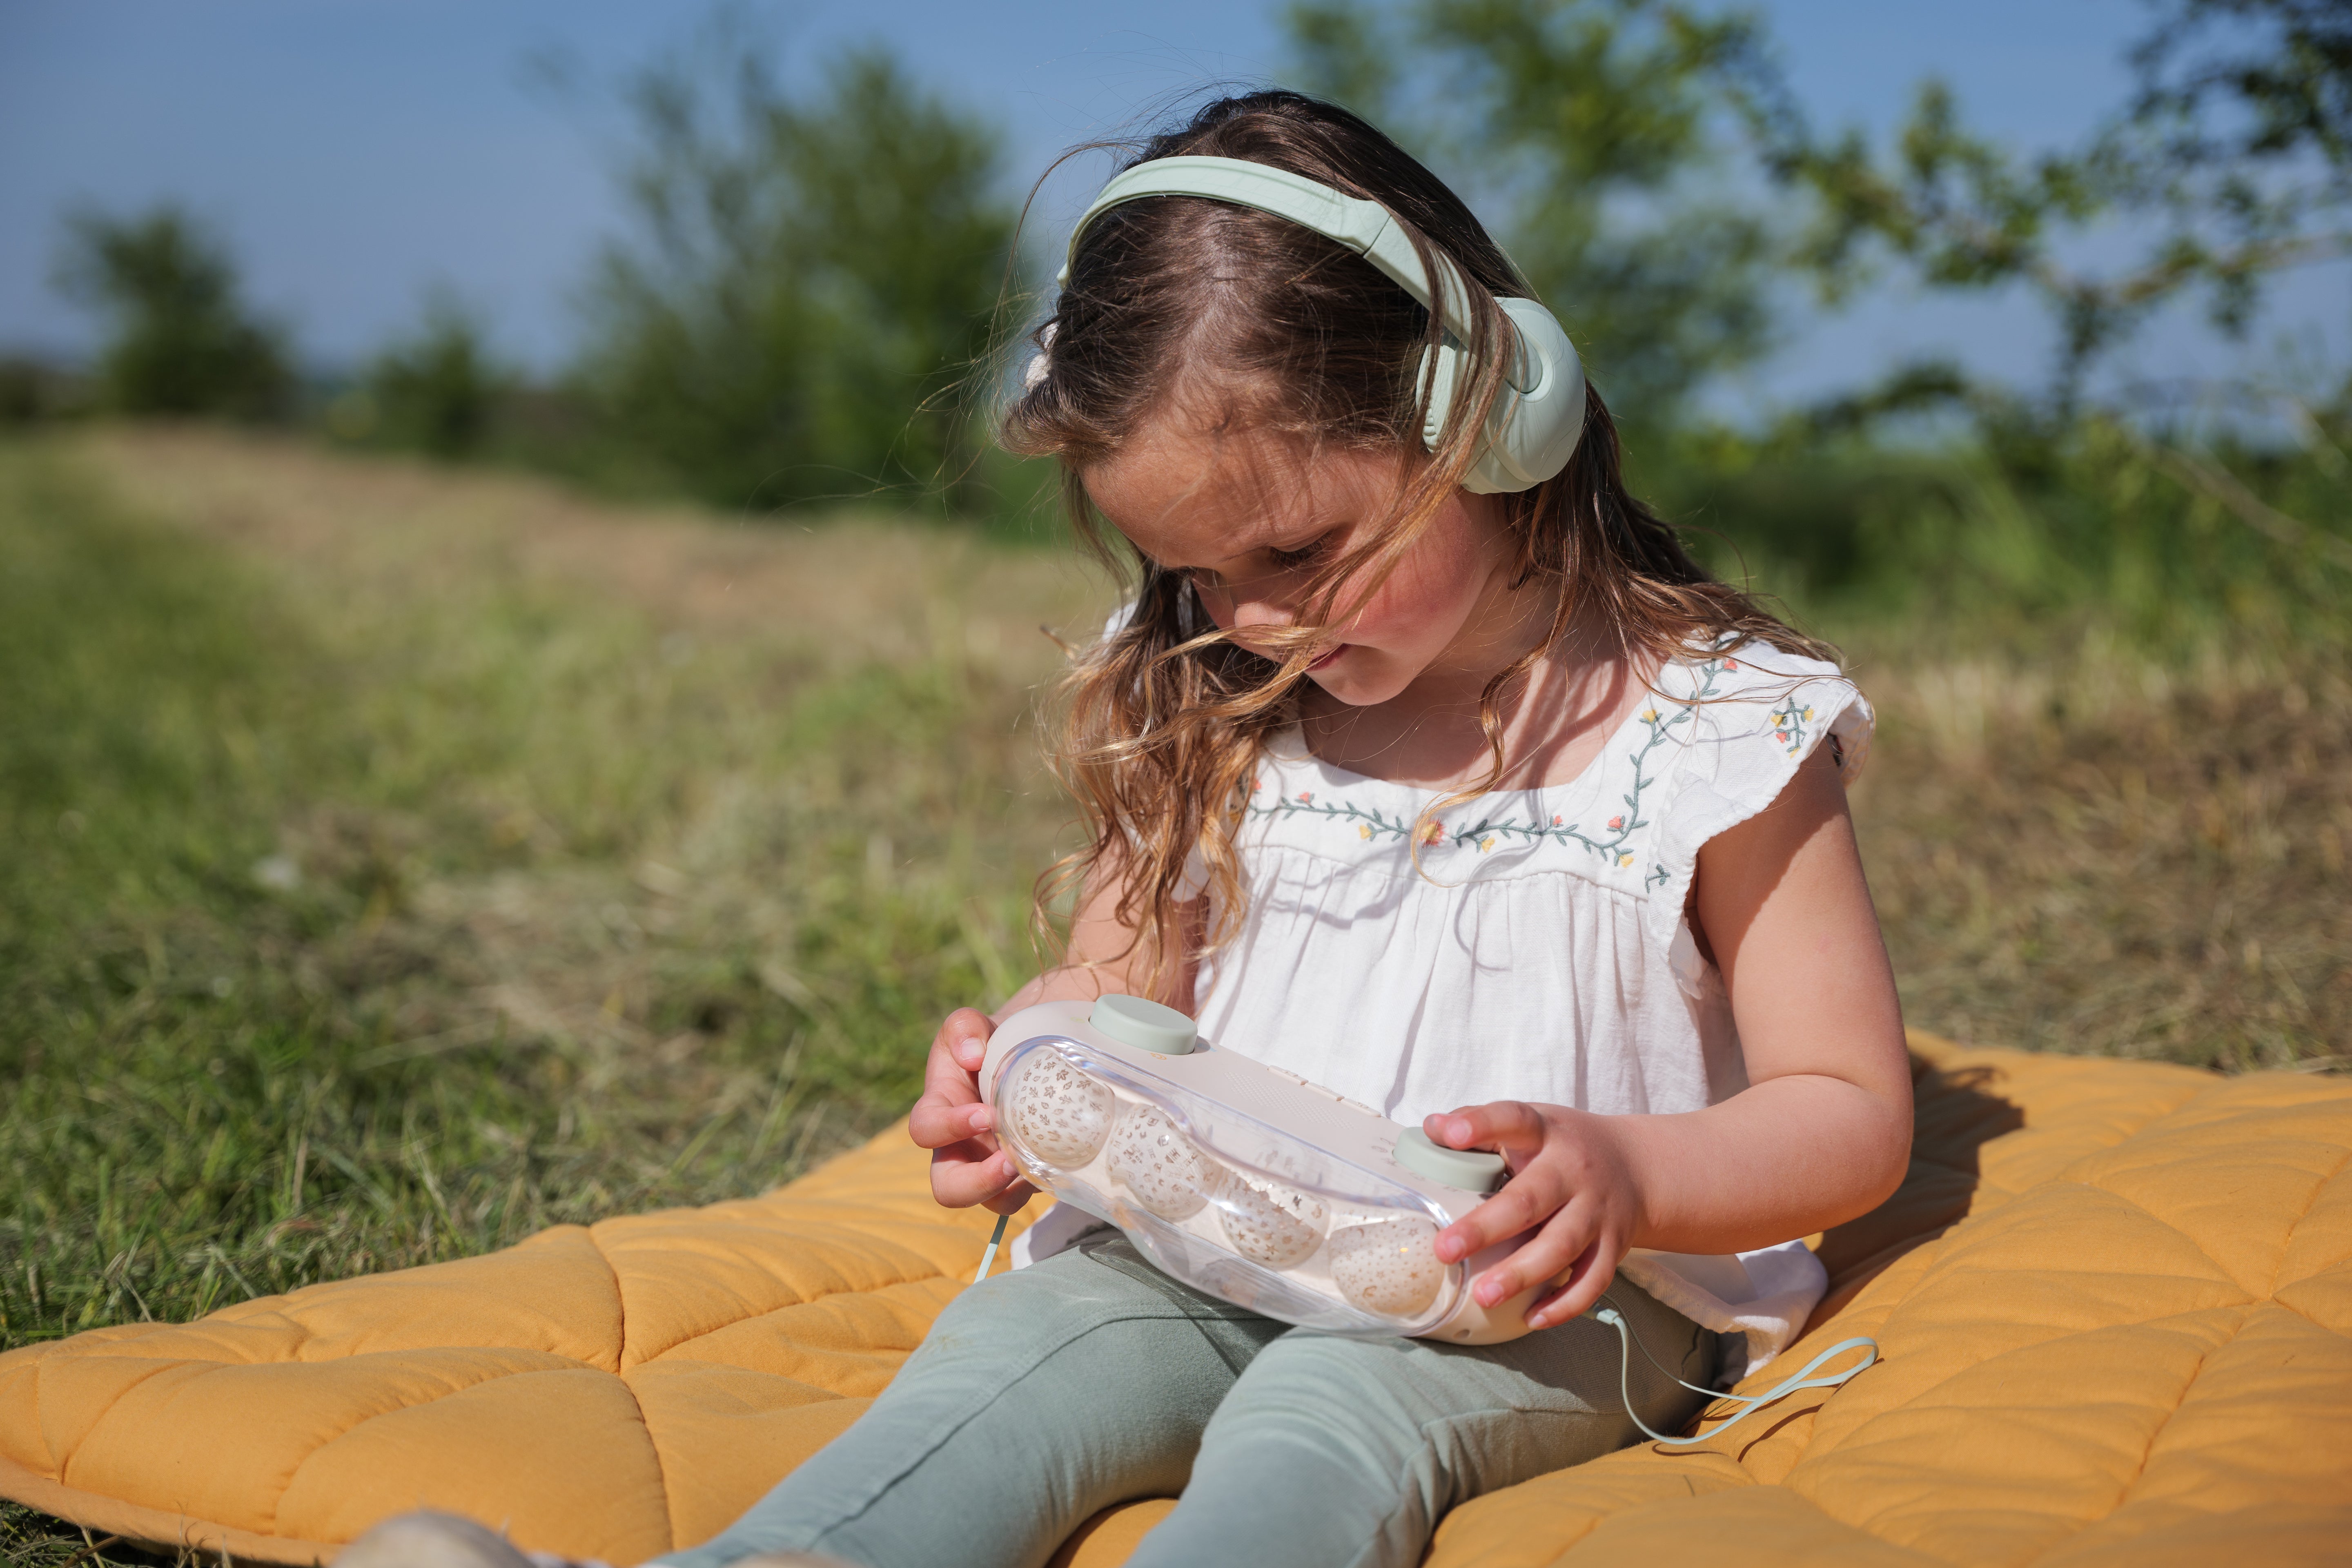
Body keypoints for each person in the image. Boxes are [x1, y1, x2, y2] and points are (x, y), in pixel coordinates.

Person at [356, 89, 1910, 1568]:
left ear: (1488, 414)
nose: (1251, 619)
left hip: (1544, 1290)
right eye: (1195, 573)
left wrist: (1628, 1172)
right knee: (1020, 1354)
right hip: (1219, 1233)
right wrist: (1031, 1066)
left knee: (1330, 1413)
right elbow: (1122, 993)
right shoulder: (1209, 689)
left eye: (1299, 549)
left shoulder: (1712, 732)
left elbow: (1847, 1108)